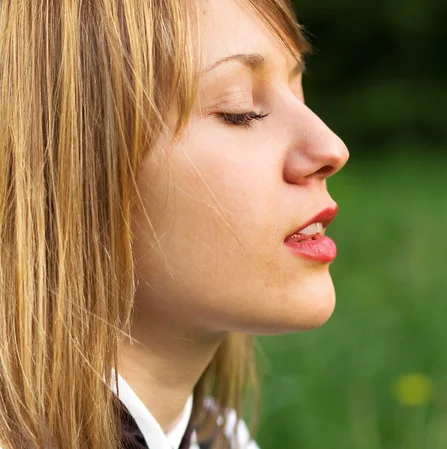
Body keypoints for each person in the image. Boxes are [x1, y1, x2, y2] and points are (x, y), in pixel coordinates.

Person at [0, 0, 349, 448]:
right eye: (239, 109)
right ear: (66, 166)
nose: (331, 147)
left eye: (297, 88)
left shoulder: (222, 438)